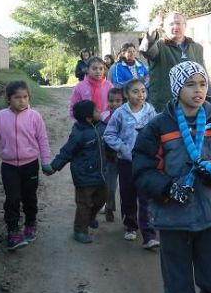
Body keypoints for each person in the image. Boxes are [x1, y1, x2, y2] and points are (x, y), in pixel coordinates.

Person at [133, 61, 211, 293]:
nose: (198, 90)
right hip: (173, 217)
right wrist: (168, 188)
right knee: (178, 288)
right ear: (177, 88)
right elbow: (143, 170)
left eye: (203, 84)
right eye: (190, 84)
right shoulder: (158, 126)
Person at [0, 80, 52, 251]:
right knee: (12, 199)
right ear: (8, 98)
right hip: (9, 166)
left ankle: (30, 223)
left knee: (29, 198)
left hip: (30, 164)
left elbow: (42, 140)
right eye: (17, 97)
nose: (22, 101)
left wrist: (46, 161)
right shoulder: (0, 117)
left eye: (25, 97)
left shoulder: (35, 116)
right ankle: (13, 231)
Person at [103, 79, 160, 248]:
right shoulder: (120, 113)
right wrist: (123, 148)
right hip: (126, 162)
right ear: (126, 94)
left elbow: (157, 131)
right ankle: (130, 226)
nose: (140, 95)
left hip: (146, 162)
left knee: (146, 197)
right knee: (128, 194)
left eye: (143, 91)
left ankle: (149, 234)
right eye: (135, 91)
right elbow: (109, 135)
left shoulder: (150, 111)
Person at [46, 100, 110, 244]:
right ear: (89, 118)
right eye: (96, 111)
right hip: (84, 175)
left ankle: (90, 218)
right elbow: (66, 152)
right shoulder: (78, 134)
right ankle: (80, 231)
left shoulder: (103, 127)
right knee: (84, 204)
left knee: (102, 198)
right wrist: (54, 166)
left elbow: (110, 144)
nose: (100, 111)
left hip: (101, 173)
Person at [140, 12, 206, 112]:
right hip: (165, 107)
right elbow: (146, 50)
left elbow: (204, 77)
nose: (175, 26)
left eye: (178, 23)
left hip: (192, 106)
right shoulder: (159, 46)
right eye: (171, 24)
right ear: (164, 27)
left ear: (185, 25)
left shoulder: (196, 48)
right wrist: (151, 32)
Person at [101, 87, 125, 222]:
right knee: (110, 186)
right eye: (111, 101)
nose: (115, 104)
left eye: (118, 101)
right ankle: (109, 208)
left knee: (126, 187)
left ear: (123, 100)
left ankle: (128, 213)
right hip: (109, 158)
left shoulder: (127, 116)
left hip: (125, 157)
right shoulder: (103, 117)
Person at [69, 56, 112, 122]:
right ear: (88, 70)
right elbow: (73, 108)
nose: (98, 71)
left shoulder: (109, 86)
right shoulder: (80, 87)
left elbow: (114, 105)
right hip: (85, 123)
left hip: (105, 123)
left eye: (101, 69)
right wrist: (78, 123)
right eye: (94, 68)